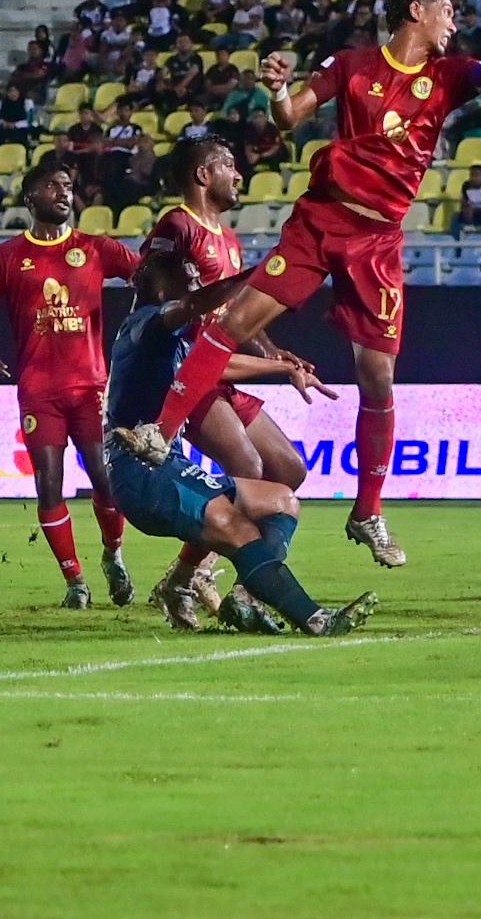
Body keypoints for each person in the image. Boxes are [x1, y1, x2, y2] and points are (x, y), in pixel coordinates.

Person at [126, 0, 481, 568]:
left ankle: (368, 511)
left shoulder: (450, 74)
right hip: (320, 221)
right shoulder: (351, 65)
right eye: (447, 10)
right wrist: (277, 91)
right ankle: (162, 433)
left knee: (376, 376)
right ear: (416, 10)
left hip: (376, 242)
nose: (454, 22)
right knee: (232, 324)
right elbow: (290, 116)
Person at [105, 251, 374, 636]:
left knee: (282, 500)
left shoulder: (171, 342)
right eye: (192, 279)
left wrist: (285, 367)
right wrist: (266, 275)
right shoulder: (146, 323)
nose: (201, 288)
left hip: (165, 466)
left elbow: (219, 364)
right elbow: (192, 303)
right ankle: (315, 620)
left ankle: (242, 595)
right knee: (238, 528)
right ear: (165, 287)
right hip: (143, 474)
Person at [140, 138, 315, 623]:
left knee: (289, 470)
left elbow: (236, 317)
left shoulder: (229, 239)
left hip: (221, 375)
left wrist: (277, 354)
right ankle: (204, 577)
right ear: (203, 175)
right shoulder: (177, 226)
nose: (239, 176)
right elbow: (159, 297)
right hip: (184, 374)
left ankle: (192, 578)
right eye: (230, 166)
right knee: (246, 463)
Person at [0, 162, 140, 608]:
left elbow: (151, 279)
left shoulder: (96, 248)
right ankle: (75, 582)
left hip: (91, 387)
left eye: (67, 186)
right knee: (48, 484)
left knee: (105, 478)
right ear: (30, 199)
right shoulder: (6, 256)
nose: (63, 193)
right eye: (52, 186)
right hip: (39, 389)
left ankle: (113, 555)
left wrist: (142, 328)